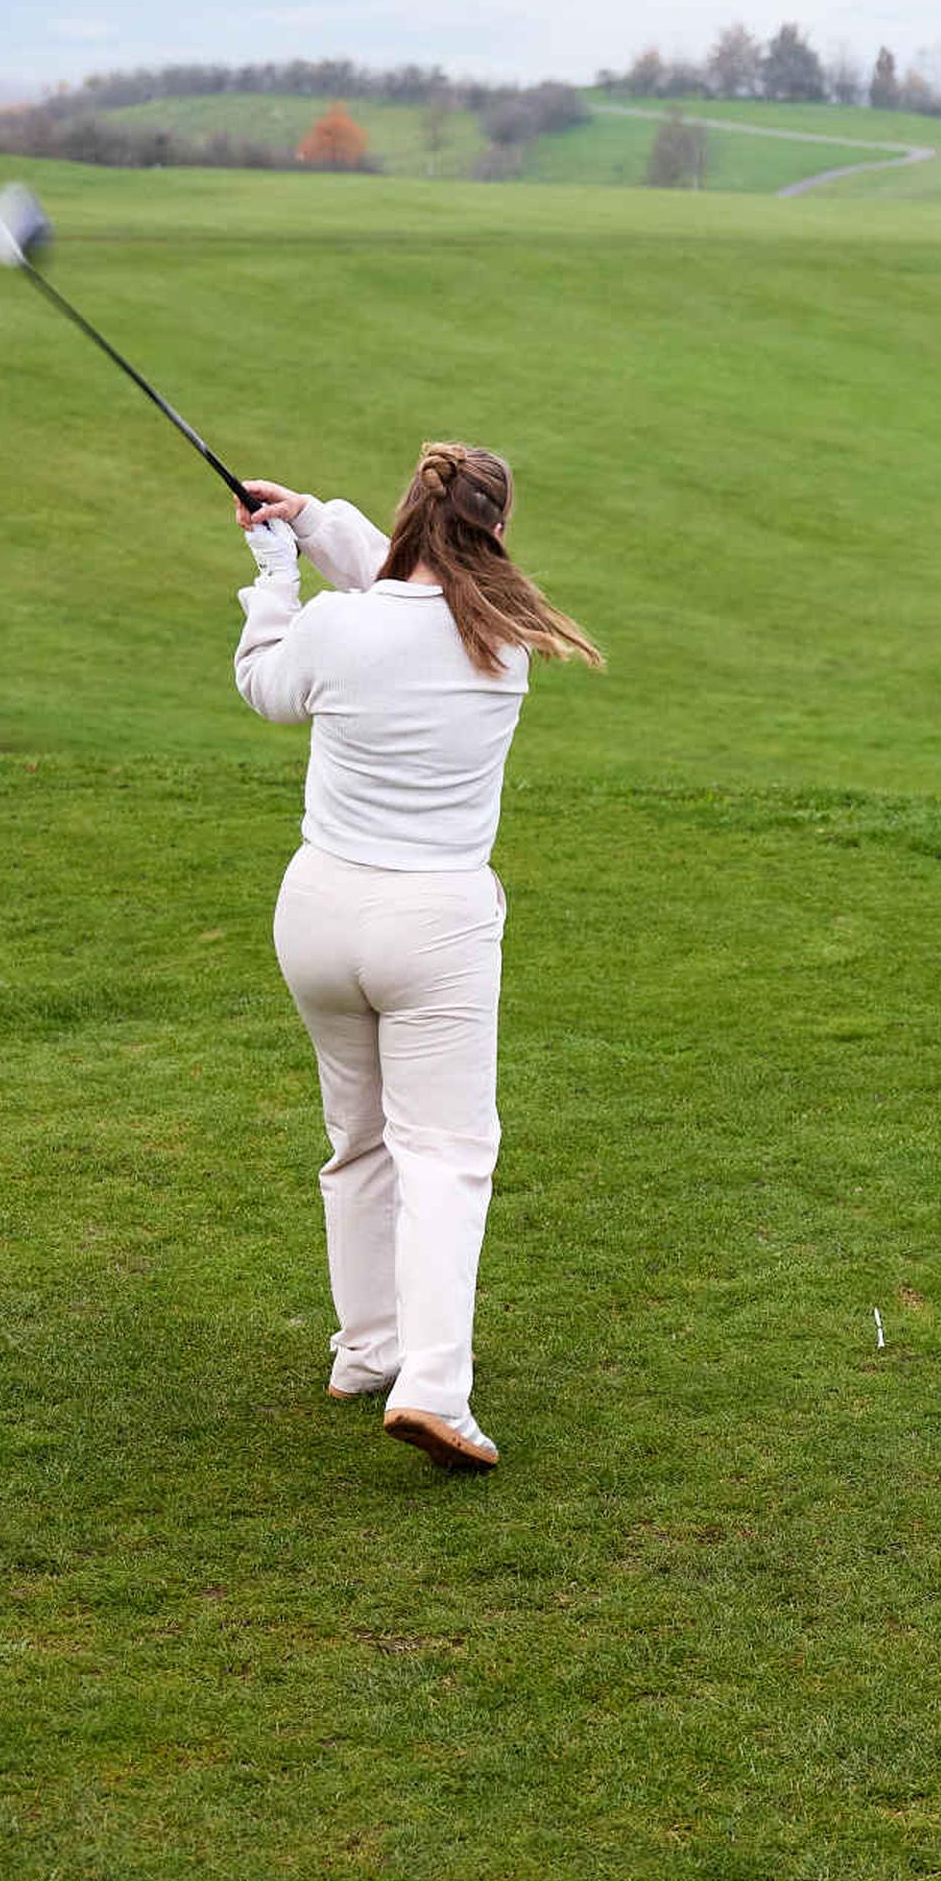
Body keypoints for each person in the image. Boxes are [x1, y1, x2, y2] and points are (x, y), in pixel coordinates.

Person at [227, 443, 602, 1472]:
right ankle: (433, 1390)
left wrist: (279, 569)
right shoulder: (505, 637)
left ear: (409, 518)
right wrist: (313, 522)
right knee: (444, 1155)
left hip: (318, 914)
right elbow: (414, 593)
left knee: (357, 1139)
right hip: (434, 927)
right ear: (496, 532)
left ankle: (368, 1352)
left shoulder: (337, 627)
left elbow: (268, 682)